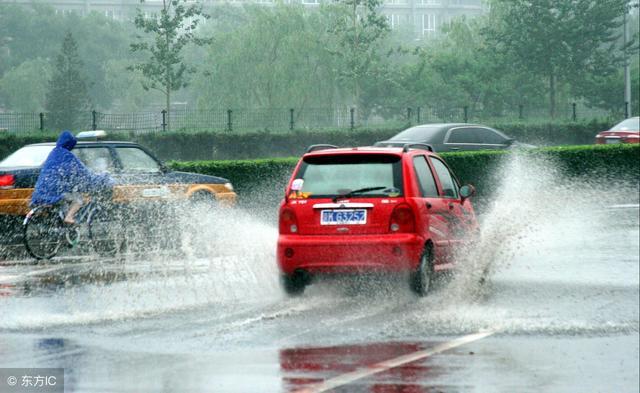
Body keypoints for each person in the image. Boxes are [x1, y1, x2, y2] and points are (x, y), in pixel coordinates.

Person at [31, 130, 113, 224]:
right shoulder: (66, 155)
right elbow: (82, 172)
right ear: (70, 143)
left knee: (64, 199)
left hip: (41, 191)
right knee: (78, 200)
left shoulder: (53, 153)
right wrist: (100, 178)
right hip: (55, 191)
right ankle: (69, 217)